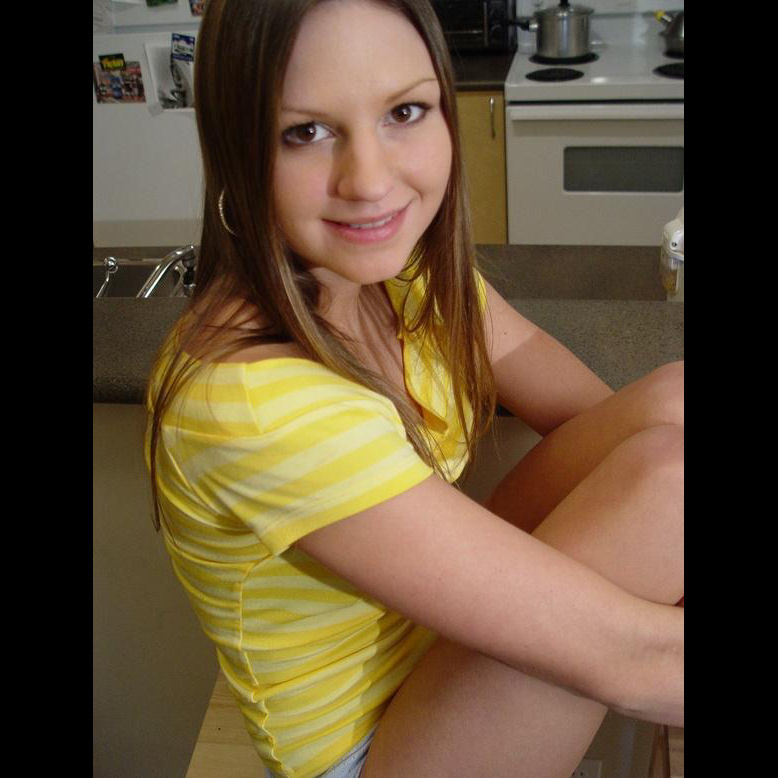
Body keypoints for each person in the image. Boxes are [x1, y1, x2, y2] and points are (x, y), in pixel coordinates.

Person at [145, 1, 684, 776]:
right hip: (373, 753)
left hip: (436, 640)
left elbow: (604, 425)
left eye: (404, 112)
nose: (370, 181)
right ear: (235, 148)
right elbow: (636, 664)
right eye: (305, 131)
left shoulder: (404, 279)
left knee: (672, 410)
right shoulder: (251, 402)